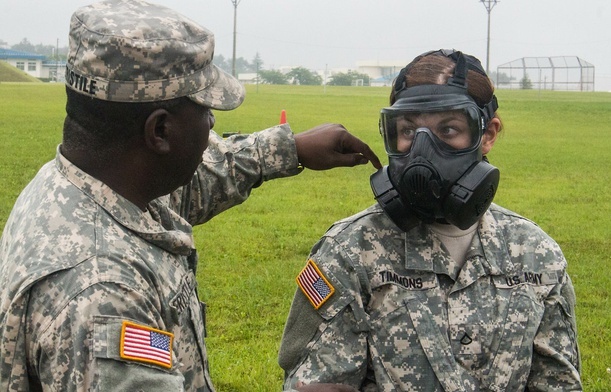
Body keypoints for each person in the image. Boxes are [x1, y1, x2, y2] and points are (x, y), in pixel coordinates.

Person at [0, 1, 381, 391]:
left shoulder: (86, 185)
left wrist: (290, 148)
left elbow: (199, 179)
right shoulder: (102, 294)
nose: (213, 122)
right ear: (160, 132)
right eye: (204, 109)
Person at [279, 49, 582, 391]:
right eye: (408, 131)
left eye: (449, 129)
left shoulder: (536, 254)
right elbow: (318, 384)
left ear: (488, 134)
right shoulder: (349, 253)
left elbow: (558, 383)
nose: (422, 150)